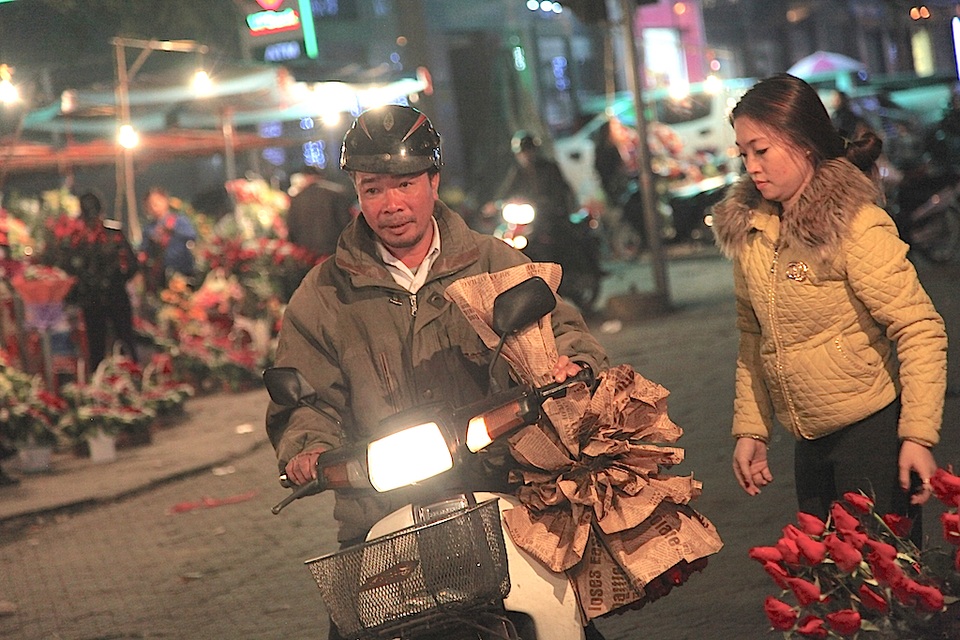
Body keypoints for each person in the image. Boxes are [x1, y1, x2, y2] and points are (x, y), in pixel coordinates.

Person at [265, 105, 608, 639]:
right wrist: (307, 446)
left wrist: (571, 366)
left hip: (500, 489)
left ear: (433, 180)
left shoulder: (495, 263)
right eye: (374, 188)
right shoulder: (322, 295)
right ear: (356, 191)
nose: (391, 204)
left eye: (405, 184)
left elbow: (565, 335)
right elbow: (301, 397)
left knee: (570, 624)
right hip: (378, 512)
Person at [712, 74, 947, 539]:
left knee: (888, 594)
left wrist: (918, 436)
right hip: (810, 445)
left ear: (804, 144)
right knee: (830, 594)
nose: (752, 167)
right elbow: (753, 339)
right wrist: (752, 430)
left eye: (762, 150)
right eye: (744, 154)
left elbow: (919, 328)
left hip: (872, 438)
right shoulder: (752, 231)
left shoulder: (856, 225)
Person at [41, 191, 139, 372]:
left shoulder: (107, 234)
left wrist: (115, 281)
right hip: (94, 299)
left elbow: (132, 264)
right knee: (98, 348)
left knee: (123, 342)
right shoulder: (76, 238)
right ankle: (101, 385)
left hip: (110, 295)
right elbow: (65, 268)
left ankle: (132, 378)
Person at [488, 130, 579, 262]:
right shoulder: (518, 172)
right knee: (503, 235)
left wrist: (549, 204)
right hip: (527, 217)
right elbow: (507, 191)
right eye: (522, 152)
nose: (525, 155)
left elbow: (561, 191)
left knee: (559, 237)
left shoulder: (549, 168)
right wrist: (497, 204)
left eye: (528, 150)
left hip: (550, 215)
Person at [285, 164, 356, 258]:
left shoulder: (297, 199)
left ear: (305, 176)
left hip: (307, 254)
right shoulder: (336, 194)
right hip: (334, 251)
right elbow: (347, 223)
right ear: (321, 175)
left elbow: (291, 228)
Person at [139, 186, 197, 292]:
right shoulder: (148, 229)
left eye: (157, 202)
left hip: (183, 270)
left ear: (165, 200)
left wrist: (173, 230)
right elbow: (144, 251)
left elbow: (192, 235)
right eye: (150, 204)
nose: (154, 206)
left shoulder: (179, 221)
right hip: (162, 275)